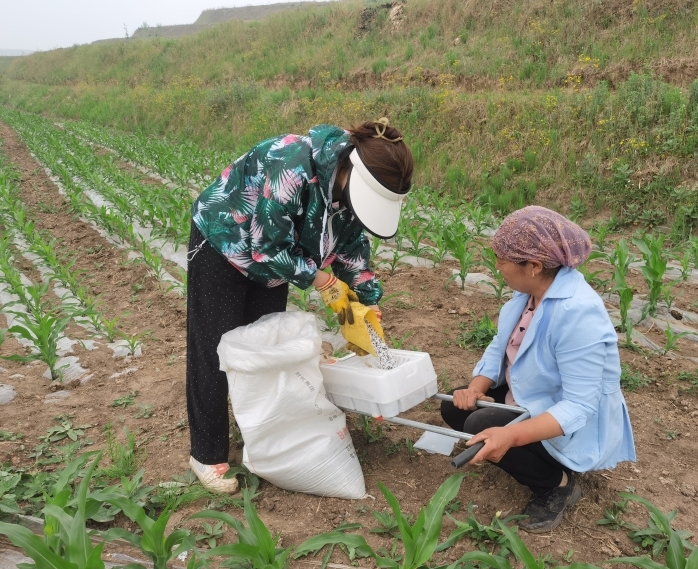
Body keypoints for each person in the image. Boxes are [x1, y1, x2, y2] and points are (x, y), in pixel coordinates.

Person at [187, 118, 413, 493]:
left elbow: (353, 252)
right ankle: (206, 454)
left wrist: (366, 303)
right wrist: (322, 280)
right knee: (216, 347)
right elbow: (266, 249)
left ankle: (260, 436)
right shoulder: (291, 162)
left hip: (277, 261)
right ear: (351, 172)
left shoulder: (350, 190)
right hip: (226, 241)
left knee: (264, 345)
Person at [441, 206, 636, 532]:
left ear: (533, 266)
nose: (497, 266)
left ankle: (556, 485)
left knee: (482, 422)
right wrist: (477, 387)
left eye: (502, 260)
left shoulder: (578, 314)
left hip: (566, 417)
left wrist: (510, 434)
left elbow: (578, 406)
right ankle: (519, 444)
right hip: (529, 394)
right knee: (456, 407)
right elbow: (498, 347)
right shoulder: (526, 296)